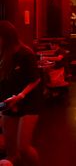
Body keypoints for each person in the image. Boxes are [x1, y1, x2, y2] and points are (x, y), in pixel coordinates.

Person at [0, 21, 41, 166]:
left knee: (23, 148)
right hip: (8, 104)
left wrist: (21, 95)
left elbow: (35, 79)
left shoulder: (25, 53)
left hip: (28, 103)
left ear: (6, 37)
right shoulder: (3, 56)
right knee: (11, 152)